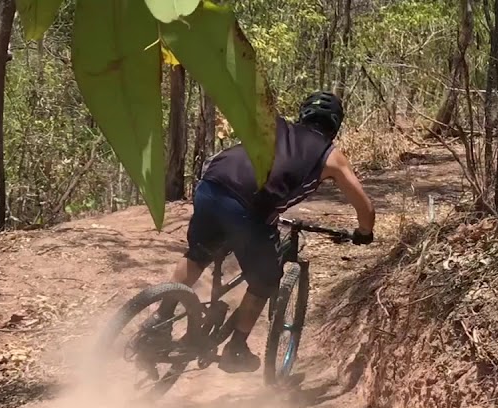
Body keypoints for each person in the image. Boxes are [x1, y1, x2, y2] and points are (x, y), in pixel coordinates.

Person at [150, 90, 376, 373]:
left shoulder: (276, 125)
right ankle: (236, 349)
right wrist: (364, 232)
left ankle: (158, 321)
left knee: (198, 254)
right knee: (267, 279)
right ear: (335, 125)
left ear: (302, 114)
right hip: (247, 208)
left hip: (210, 185)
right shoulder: (331, 156)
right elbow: (365, 208)